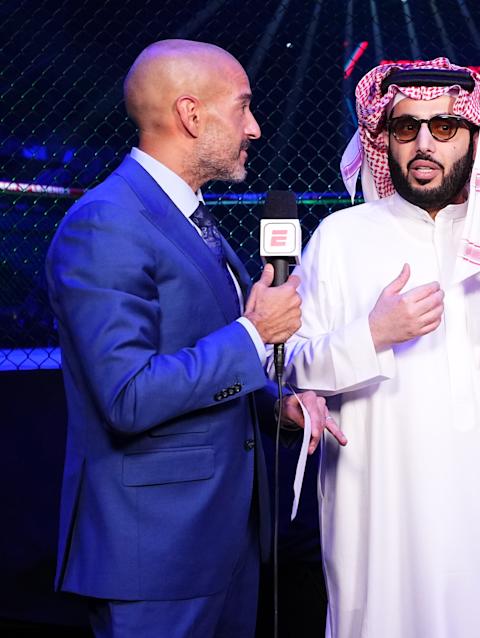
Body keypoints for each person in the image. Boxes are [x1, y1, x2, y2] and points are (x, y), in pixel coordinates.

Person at [45, 39, 339, 638]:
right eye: (243, 107)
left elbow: (208, 370)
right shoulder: (107, 222)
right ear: (190, 114)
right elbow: (128, 396)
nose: (254, 128)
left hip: (220, 546)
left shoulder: (188, 217)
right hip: (152, 556)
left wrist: (278, 409)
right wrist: (255, 333)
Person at [276, 58, 480, 638]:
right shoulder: (342, 238)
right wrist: (373, 334)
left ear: (474, 140)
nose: (422, 143)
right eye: (405, 127)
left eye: (443, 128)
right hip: (385, 506)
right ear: (383, 138)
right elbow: (292, 367)